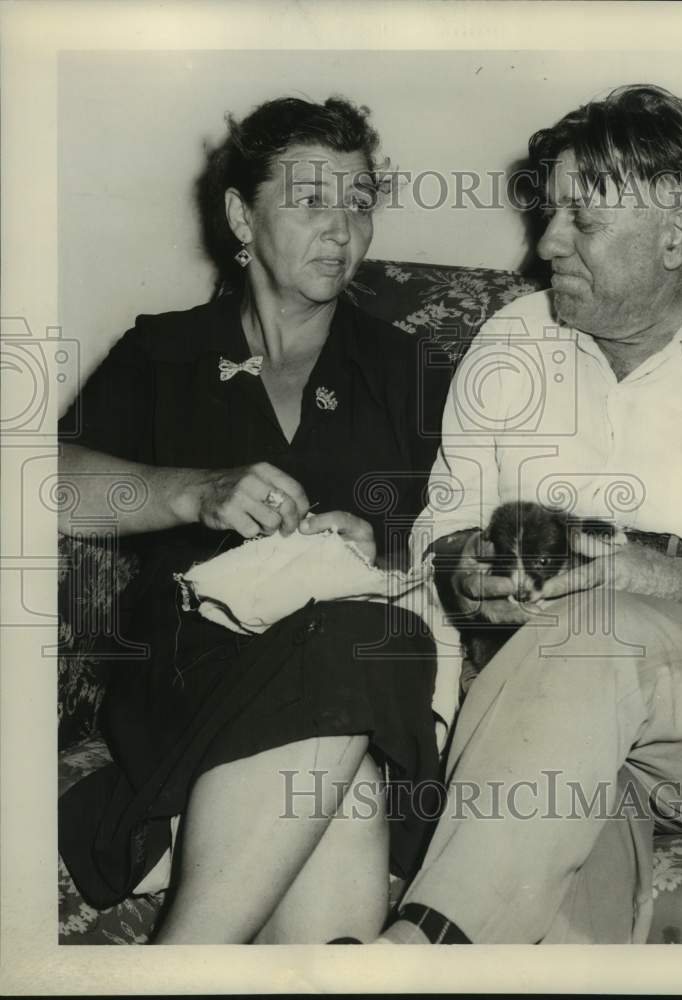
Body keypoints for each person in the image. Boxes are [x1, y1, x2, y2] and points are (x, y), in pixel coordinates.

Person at [375, 84, 682, 945]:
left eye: (581, 221)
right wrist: (468, 574)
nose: (546, 244)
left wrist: (664, 579)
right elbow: (442, 533)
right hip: (552, 707)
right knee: (563, 837)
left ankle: (416, 949)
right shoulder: (512, 342)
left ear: (674, 235)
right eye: (550, 215)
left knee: (595, 629)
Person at [57, 96, 450, 944]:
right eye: (311, 201)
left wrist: (382, 542)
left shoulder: (407, 367)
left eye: (358, 201)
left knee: (358, 655)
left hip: (362, 671)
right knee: (349, 729)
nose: (342, 228)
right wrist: (192, 491)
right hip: (192, 671)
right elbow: (44, 485)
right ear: (241, 213)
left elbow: (465, 534)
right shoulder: (164, 352)